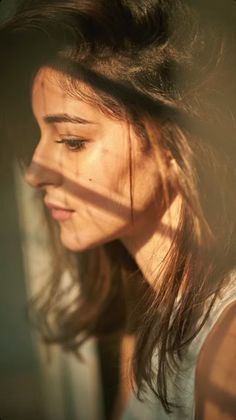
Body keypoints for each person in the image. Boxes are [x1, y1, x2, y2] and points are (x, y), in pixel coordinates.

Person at [1, 0, 236, 418]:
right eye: (39, 137)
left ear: (173, 143)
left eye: (73, 141)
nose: (35, 174)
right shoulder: (152, 316)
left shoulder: (226, 349)